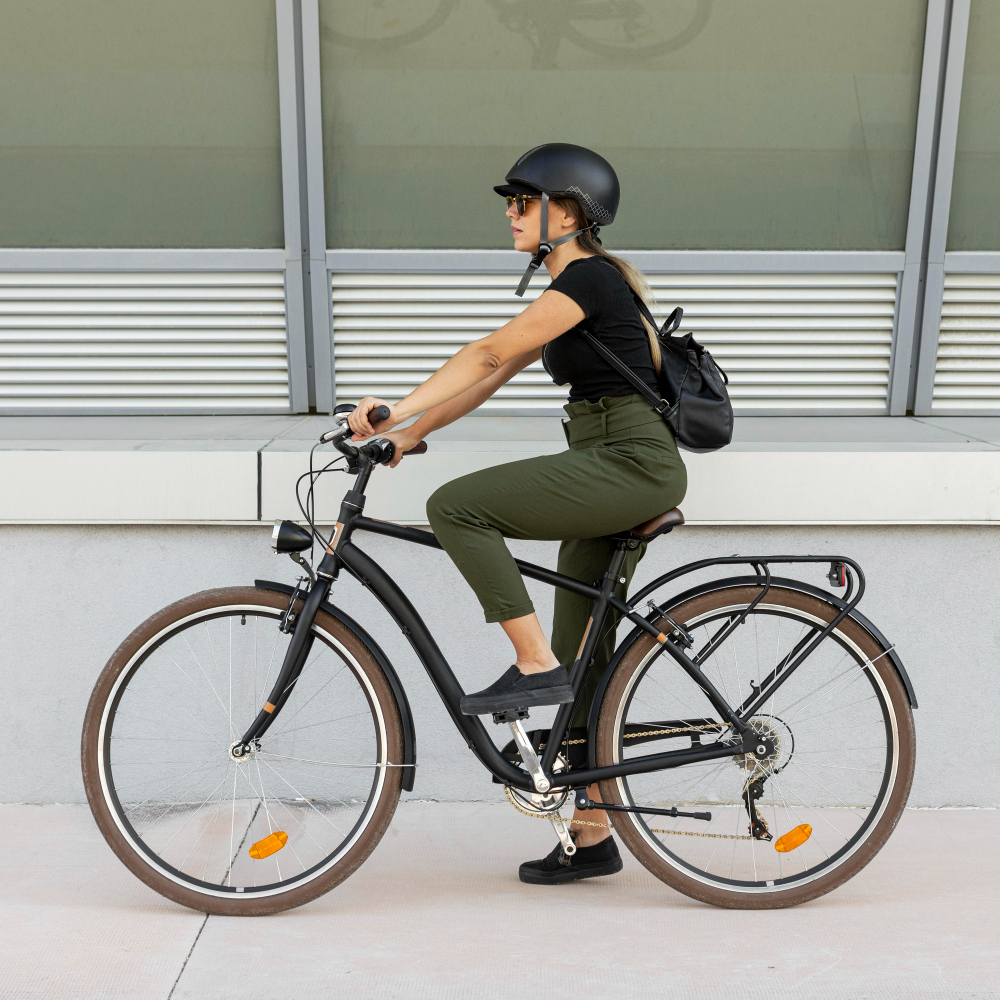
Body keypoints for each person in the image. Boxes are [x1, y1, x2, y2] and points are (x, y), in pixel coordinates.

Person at [347, 143, 687, 884]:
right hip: (608, 458)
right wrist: (408, 436)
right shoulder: (574, 290)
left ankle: (530, 664)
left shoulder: (590, 279)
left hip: (627, 462)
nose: (510, 213)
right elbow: (493, 375)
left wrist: (389, 407)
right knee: (585, 658)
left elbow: (487, 351)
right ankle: (592, 834)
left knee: (458, 507)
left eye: (522, 201)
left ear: (568, 212)